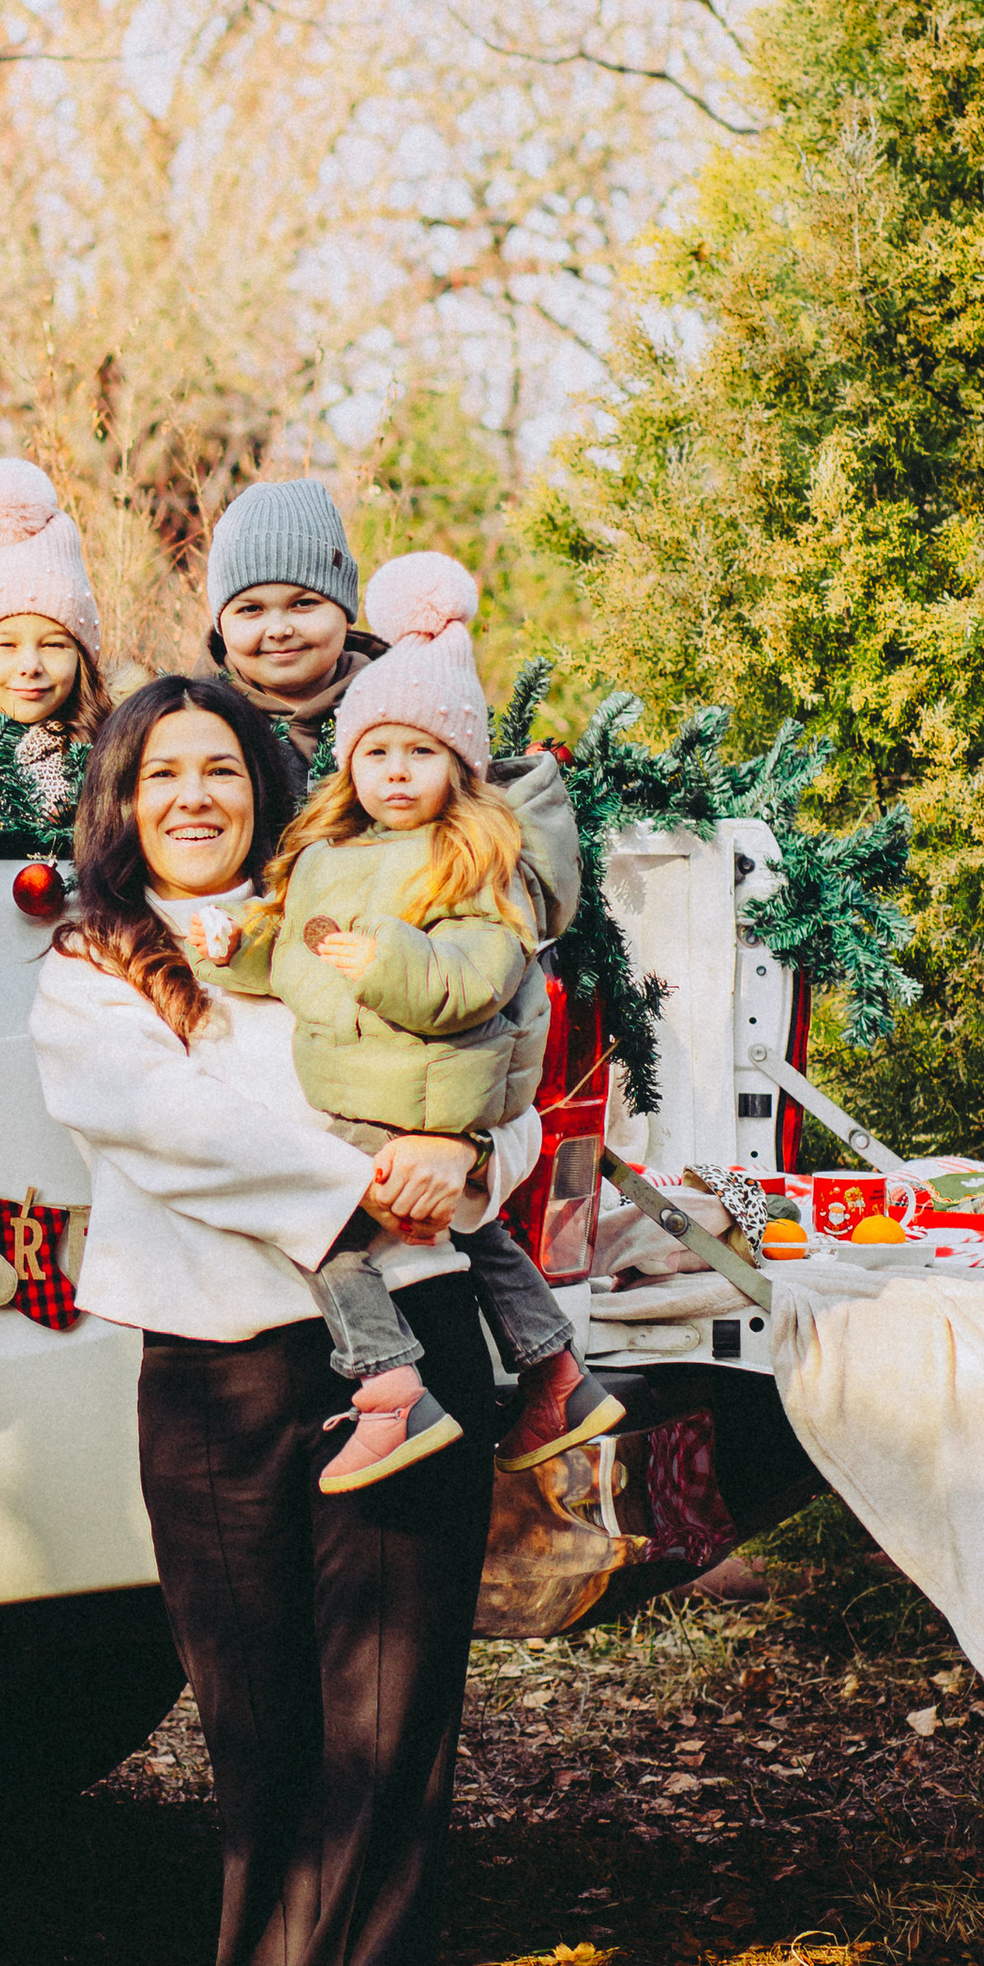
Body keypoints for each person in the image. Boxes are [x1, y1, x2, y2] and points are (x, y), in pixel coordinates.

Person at [27, 677, 544, 1966]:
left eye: (221, 771)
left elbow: (485, 1057)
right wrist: (354, 1182)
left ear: (265, 786)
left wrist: (457, 1154)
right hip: (205, 1363)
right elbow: (166, 1127)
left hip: (395, 1346)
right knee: (255, 1716)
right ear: (119, 804)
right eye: (161, 776)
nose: (194, 797)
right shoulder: (86, 967)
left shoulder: (355, 906)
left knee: (381, 1719)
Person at [189, 553, 617, 1494]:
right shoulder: (332, 853)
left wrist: (384, 961)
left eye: (420, 753)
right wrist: (232, 952)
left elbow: (472, 981)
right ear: (348, 762)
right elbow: (301, 955)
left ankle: (389, 1388)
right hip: (370, 1082)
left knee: (320, 1226)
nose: (395, 771)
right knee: (476, 1229)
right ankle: (556, 1375)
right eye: (376, 752)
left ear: (459, 766)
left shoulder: (474, 856)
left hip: (416, 1093)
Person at [0, 458, 113, 857]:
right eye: (5, 645)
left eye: (54, 644)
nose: (29, 665)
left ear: (82, 658)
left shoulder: (111, 752)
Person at [201, 479, 380, 797]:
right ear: (221, 624)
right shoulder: (187, 723)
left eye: (303, 604)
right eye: (251, 609)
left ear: (345, 608)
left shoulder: (405, 712)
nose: (279, 629)